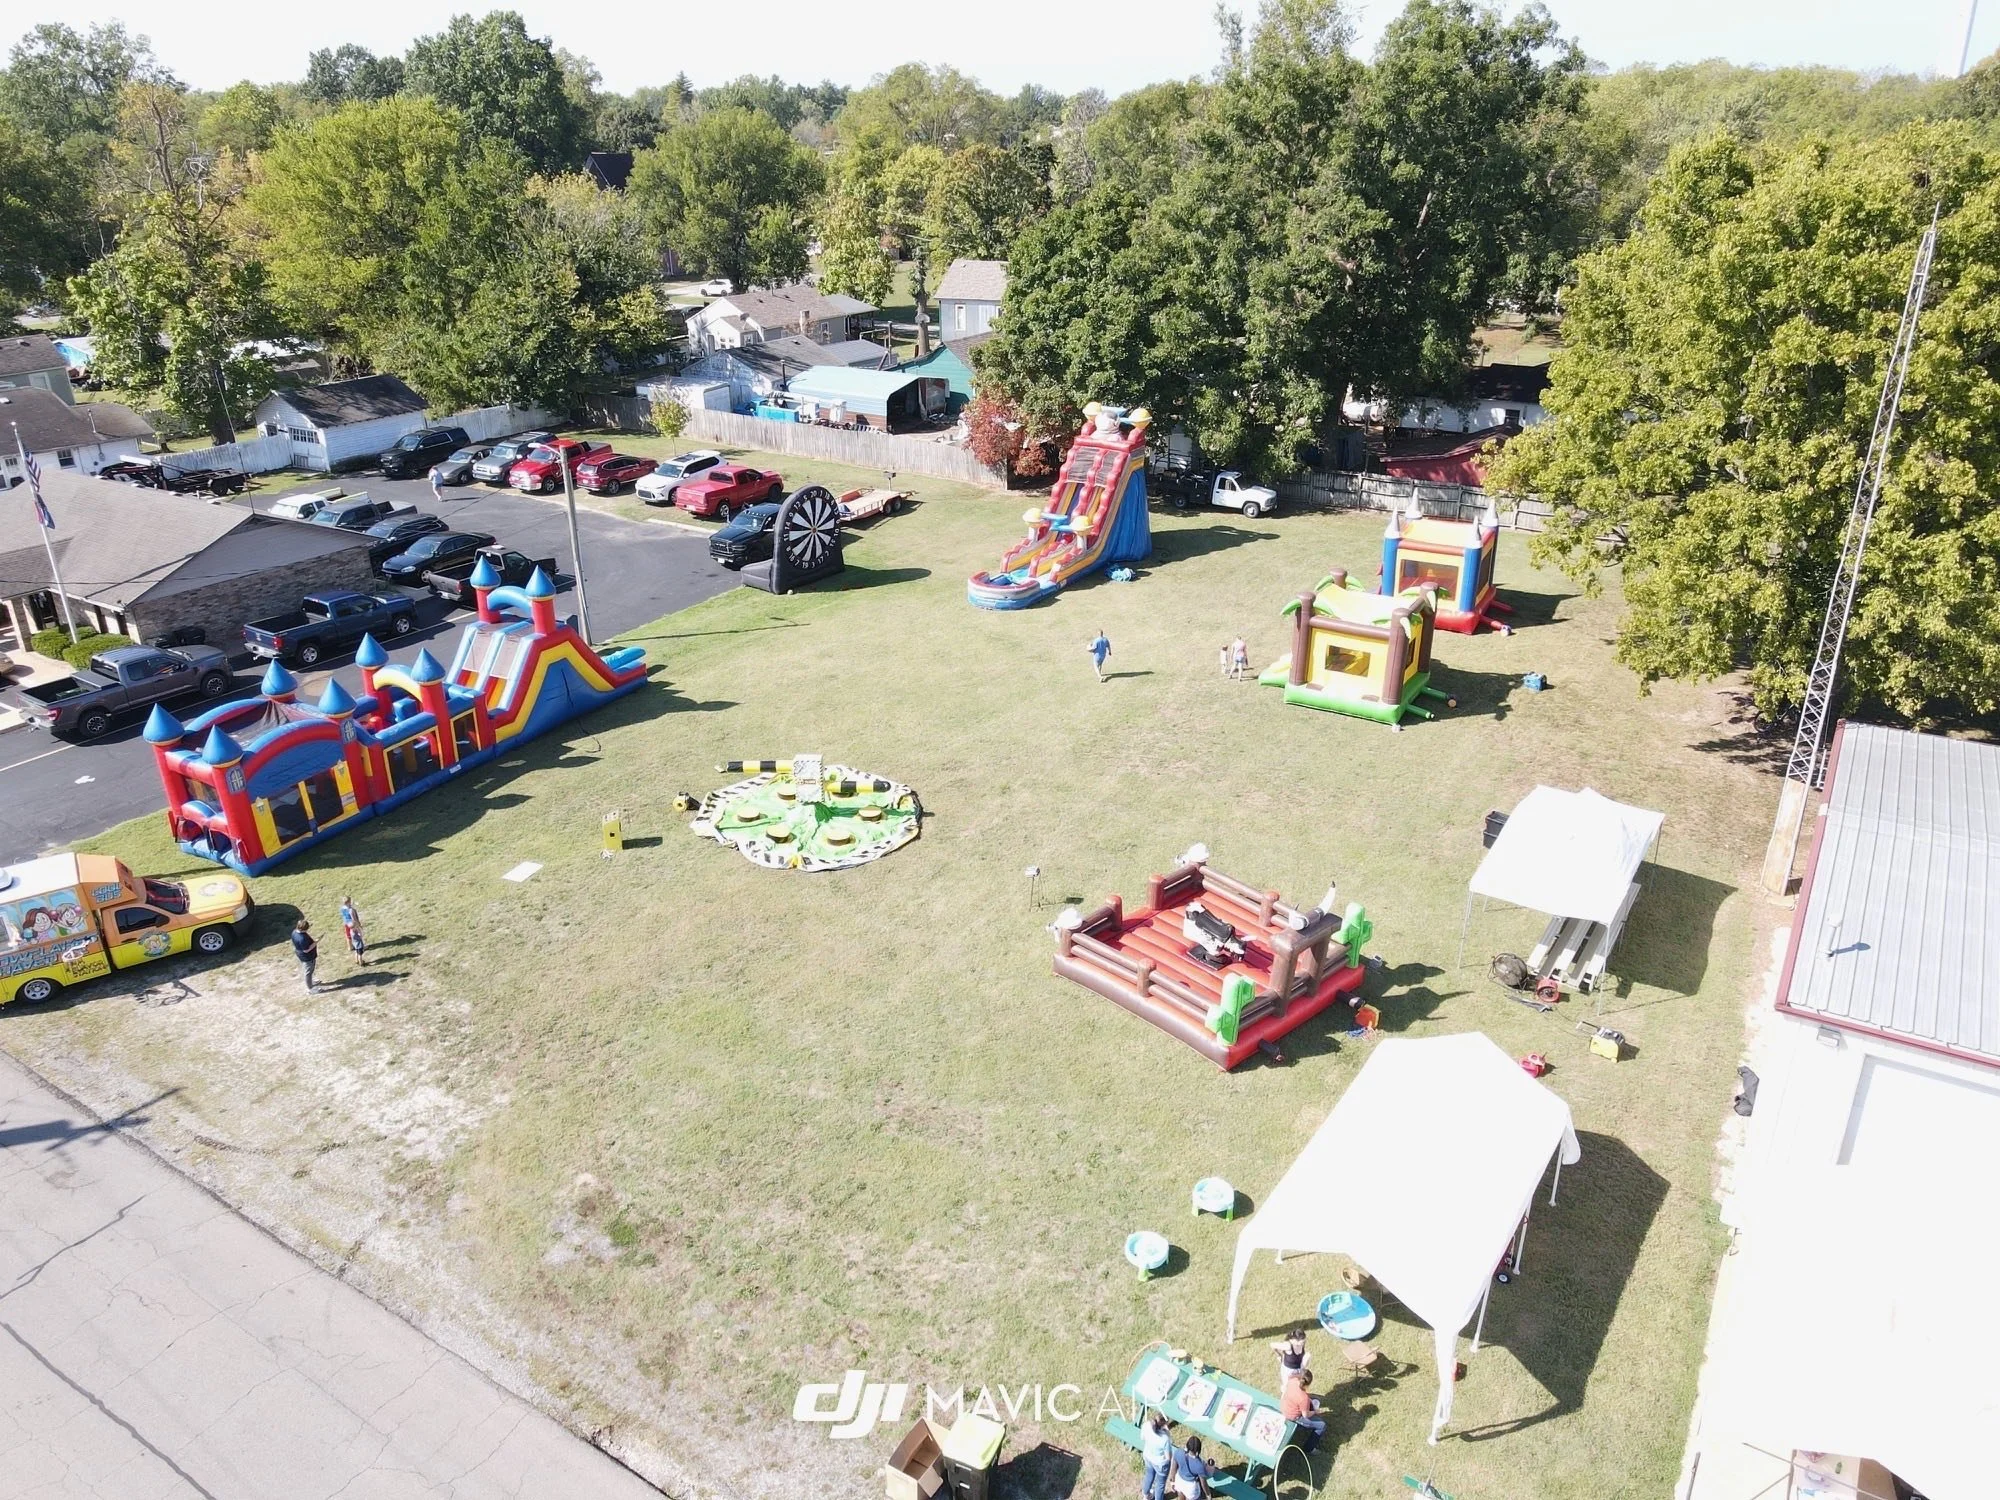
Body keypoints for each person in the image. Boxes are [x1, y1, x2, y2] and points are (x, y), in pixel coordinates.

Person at [1281, 1370, 1327, 1453]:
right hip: (1293, 1416)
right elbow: (1305, 1415)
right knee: (1322, 1426)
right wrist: (1315, 1412)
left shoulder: (1292, 1381)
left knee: (1315, 1399)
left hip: (1284, 1407)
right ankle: (1309, 1449)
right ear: (1308, 1384)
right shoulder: (1303, 1398)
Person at [1139, 1407, 1173, 1500]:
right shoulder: (1165, 1438)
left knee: (1149, 1475)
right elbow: (1168, 1457)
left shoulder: (1146, 1425)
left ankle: (1146, 1495)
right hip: (1160, 1463)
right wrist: (1168, 1434)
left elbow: (1142, 1437)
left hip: (1148, 1456)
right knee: (1160, 1484)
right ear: (1164, 1424)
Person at [1171, 1435, 1212, 1500]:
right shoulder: (1199, 1465)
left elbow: (1173, 1469)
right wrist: (1208, 1494)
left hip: (1179, 1480)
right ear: (1198, 1450)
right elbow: (1203, 1483)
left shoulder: (1178, 1452)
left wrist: (1172, 1482)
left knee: (1180, 1496)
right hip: (1190, 1487)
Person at [291, 917, 319, 992]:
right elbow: (306, 950)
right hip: (307, 957)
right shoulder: (302, 938)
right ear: (303, 929)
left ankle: (311, 982)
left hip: (300, 953)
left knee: (309, 971)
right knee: (308, 972)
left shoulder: (294, 932)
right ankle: (310, 989)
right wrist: (315, 943)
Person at [339, 895, 365, 964]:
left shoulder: (342, 908)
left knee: (348, 936)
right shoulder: (351, 910)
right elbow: (354, 919)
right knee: (358, 937)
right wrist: (359, 926)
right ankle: (361, 958)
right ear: (349, 902)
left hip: (346, 924)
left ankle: (350, 947)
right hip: (352, 924)